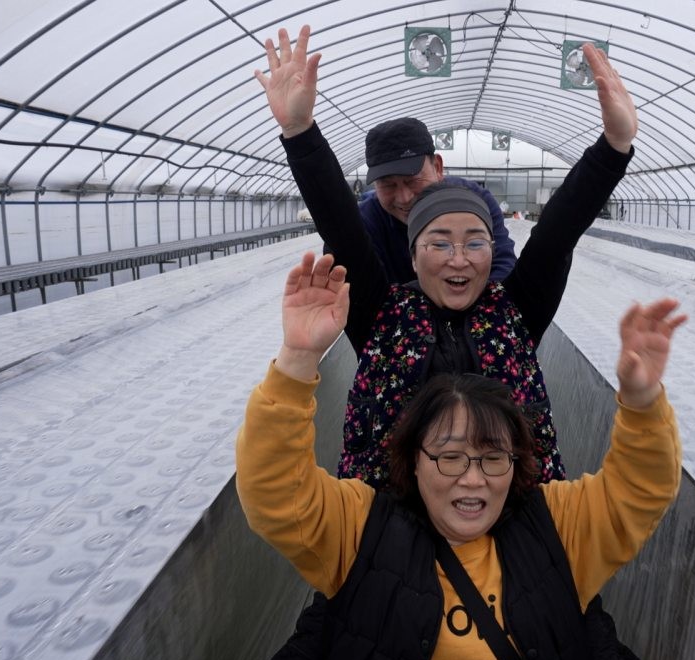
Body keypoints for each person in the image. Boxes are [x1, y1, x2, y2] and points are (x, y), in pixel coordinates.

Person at [236, 251, 685, 660]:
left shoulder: (558, 527)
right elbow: (275, 492)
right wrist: (297, 359)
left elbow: (637, 491)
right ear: (413, 460)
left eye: (493, 458)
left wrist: (642, 400)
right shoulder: (360, 529)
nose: (473, 480)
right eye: (450, 457)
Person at [256, 25, 637, 488]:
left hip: (513, 515)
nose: (459, 259)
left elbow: (557, 232)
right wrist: (299, 134)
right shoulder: (384, 317)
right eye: (438, 244)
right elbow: (343, 228)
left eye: (474, 242)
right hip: (392, 520)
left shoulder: (512, 314)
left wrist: (614, 147)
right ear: (411, 257)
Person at [335, 116, 517, 283]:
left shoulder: (476, 201)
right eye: (388, 185)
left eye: (412, 180)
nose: (404, 198)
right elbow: (362, 286)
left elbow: (502, 265)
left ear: (437, 167)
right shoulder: (366, 220)